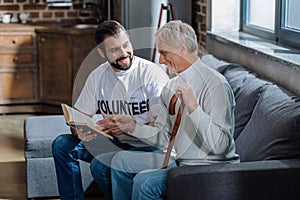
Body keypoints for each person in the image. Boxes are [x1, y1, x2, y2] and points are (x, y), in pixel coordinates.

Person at [97, 20, 240, 200]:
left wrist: (194, 108)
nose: (160, 60)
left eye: (164, 52)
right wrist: (132, 126)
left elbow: (221, 146)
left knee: (145, 182)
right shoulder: (171, 86)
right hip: (180, 161)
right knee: (120, 162)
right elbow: (164, 137)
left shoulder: (216, 85)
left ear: (181, 48)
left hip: (210, 167)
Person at [51, 20, 169, 200]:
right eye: (114, 50)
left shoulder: (152, 74)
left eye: (126, 45)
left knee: (100, 166)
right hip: (115, 142)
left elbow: (162, 130)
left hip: (148, 146)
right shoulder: (98, 76)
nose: (124, 54)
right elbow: (79, 117)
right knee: (62, 145)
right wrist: (80, 131)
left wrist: (130, 126)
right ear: (102, 53)